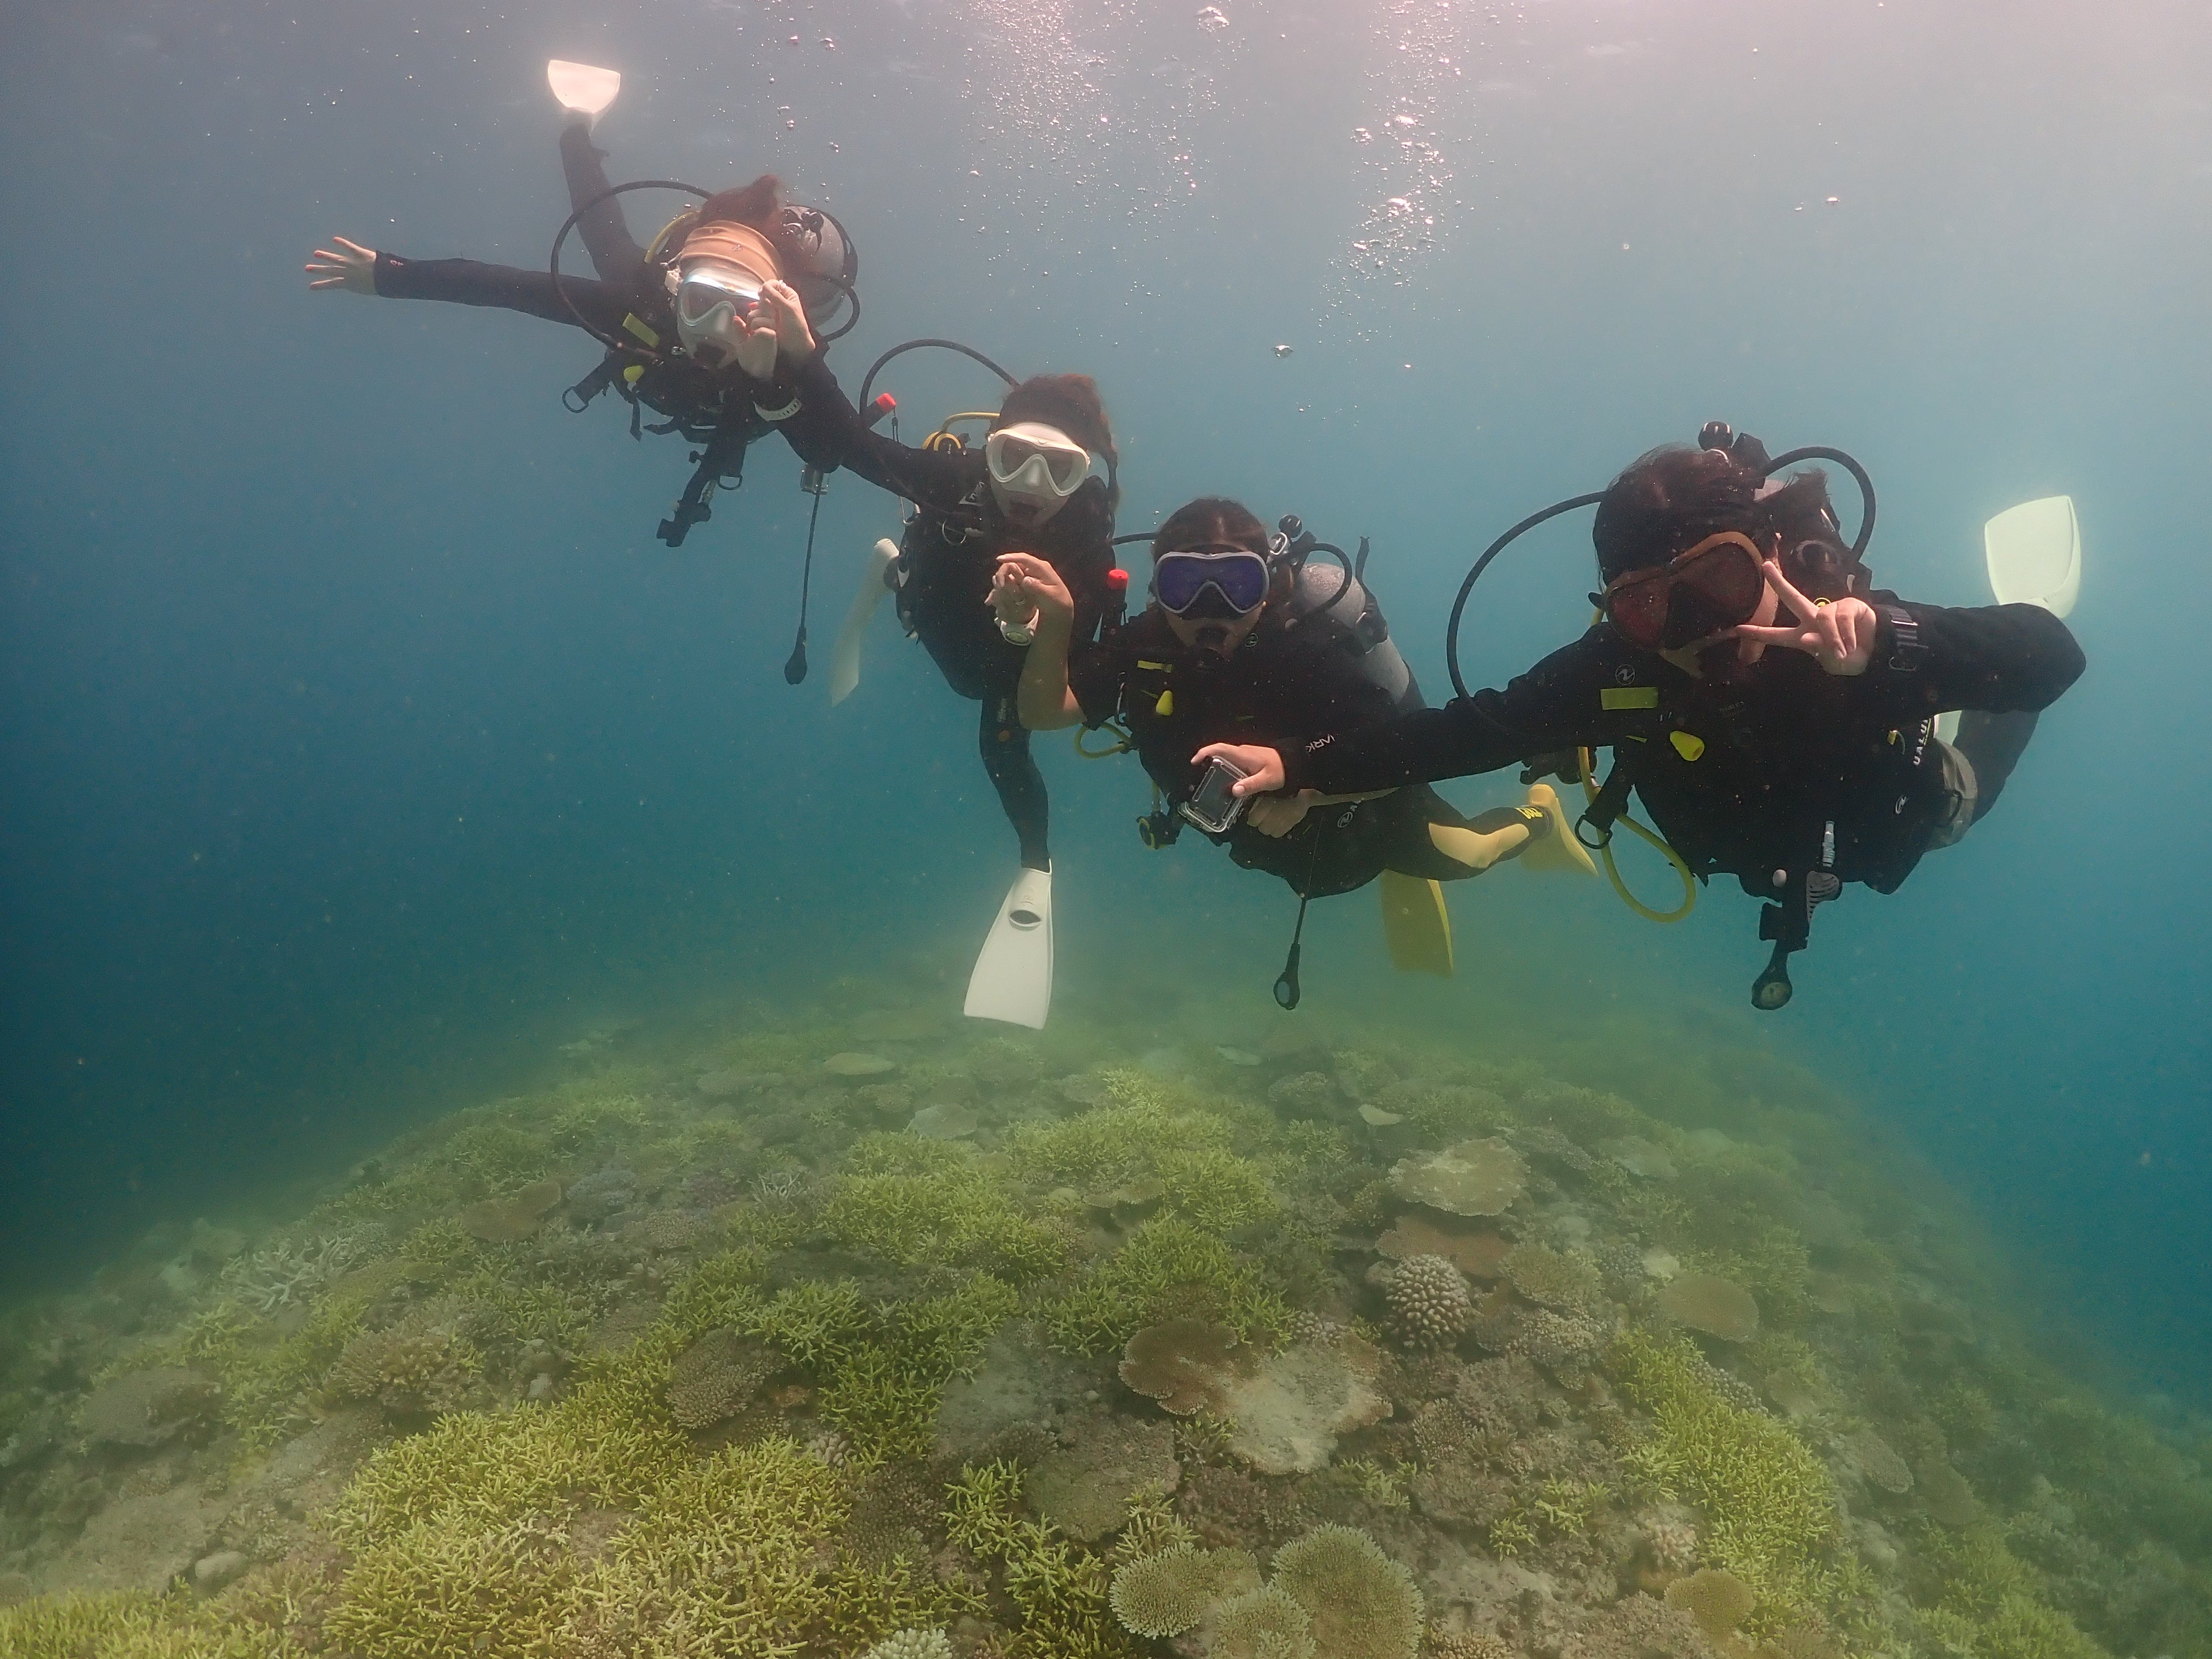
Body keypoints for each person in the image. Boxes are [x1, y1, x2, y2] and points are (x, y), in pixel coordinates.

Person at [1192, 441, 2087, 1008]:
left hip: (1900, 817)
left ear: (1770, 559)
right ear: (1617, 610)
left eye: (1722, 584)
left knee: (1965, 797)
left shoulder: (1836, 628)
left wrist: (1892, 645)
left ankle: (1958, 704)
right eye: (1656, 607)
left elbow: (2051, 658)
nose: (1701, 633)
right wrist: (1301, 766)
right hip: (1763, 847)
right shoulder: (1619, 672)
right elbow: (1465, 732)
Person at [997, 497, 1593, 999]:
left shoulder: (1308, 648)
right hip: (1279, 847)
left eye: (1236, 586)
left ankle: (1541, 818)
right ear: (1158, 590)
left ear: (1268, 586)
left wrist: (1308, 788)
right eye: (1185, 585)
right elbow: (1043, 711)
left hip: (1369, 810)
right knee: (1316, 880)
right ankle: (1393, 868)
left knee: (1465, 855)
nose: (1211, 611)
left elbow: (1399, 749)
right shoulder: (1145, 648)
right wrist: (1054, 627)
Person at [754, 285, 1120, 1026]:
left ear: (1087, 476)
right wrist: (800, 356)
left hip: (1007, 671)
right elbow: (845, 447)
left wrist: (1037, 631)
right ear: (991, 449)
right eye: (1014, 458)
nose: (1031, 488)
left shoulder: (1088, 543)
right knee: (933, 631)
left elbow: (1091, 676)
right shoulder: (956, 481)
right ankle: (887, 569)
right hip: (933, 615)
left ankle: (1034, 869)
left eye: (1061, 470)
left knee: (1005, 737)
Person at [303, 64, 856, 545]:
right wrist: (390, 276)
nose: (716, 325)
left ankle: (575, 128)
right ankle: (575, 125)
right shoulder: (641, 303)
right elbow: (502, 285)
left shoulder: (790, 350)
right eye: (700, 299)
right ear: (675, 288)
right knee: (606, 239)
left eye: (738, 306)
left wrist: (779, 382)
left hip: (759, 381)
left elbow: (829, 453)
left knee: (607, 241)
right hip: (651, 304)